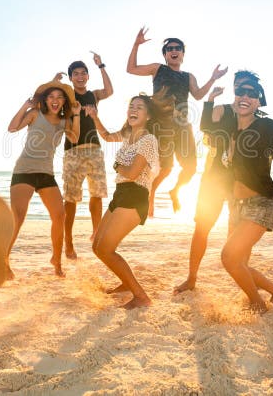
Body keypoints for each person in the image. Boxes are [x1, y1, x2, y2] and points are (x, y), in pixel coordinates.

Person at [221, 77, 273, 313]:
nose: (244, 96)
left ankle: (259, 305)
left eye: (251, 93)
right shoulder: (230, 128)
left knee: (229, 258)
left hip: (261, 202)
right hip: (235, 206)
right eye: (240, 92)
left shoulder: (265, 127)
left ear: (259, 102)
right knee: (239, 264)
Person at [174, 70, 261, 294]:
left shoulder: (255, 116)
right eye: (239, 86)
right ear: (234, 87)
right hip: (214, 178)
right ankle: (191, 278)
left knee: (237, 234)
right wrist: (210, 102)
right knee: (202, 228)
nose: (244, 91)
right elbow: (206, 130)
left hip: (241, 182)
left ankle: (242, 276)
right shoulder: (222, 109)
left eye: (248, 87)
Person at [126, 26, 228, 215]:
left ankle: (175, 191)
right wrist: (136, 45)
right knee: (166, 168)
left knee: (190, 168)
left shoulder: (188, 76)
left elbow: (197, 95)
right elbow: (131, 69)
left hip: (182, 127)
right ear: (165, 55)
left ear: (182, 54)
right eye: (170, 49)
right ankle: (151, 194)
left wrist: (213, 79)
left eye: (177, 48)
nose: (174, 51)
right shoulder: (158, 69)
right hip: (160, 127)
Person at [86, 93, 170, 309]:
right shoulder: (127, 134)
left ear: (149, 115)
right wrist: (95, 116)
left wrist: (116, 166)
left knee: (106, 249)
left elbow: (132, 173)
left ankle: (141, 297)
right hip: (120, 194)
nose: (133, 109)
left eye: (139, 107)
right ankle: (125, 283)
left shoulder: (148, 140)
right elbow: (105, 135)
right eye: (131, 106)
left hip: (134, 195)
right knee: (97, 246)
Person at [7, 80, 79, 278]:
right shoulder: (34, 114)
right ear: (45, 100)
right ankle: (4, 258)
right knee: (18, 216)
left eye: (59, 97)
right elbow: (12, 128)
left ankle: (56, 259)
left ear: (64, 101)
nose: (55, 100)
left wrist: (77, 114)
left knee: (59, 216)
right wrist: (25, 106)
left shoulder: (65, 123)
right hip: (24, 171)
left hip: (46, 174)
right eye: (51, 97)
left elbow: (74, 138)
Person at [58, 53, 114, 259]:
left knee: (97, 194)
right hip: (72, 150)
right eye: (76, 74)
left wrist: (101, 66)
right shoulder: (67, 96)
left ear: (88, 76)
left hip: (94, 149)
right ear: (71, 78)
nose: (80, 77)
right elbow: (49, 96)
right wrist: (56, 82)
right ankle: (68, 242)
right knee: (70, 199)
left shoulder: (93, 95)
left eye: (83, 73)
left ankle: (96, 233)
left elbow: (109, 90)